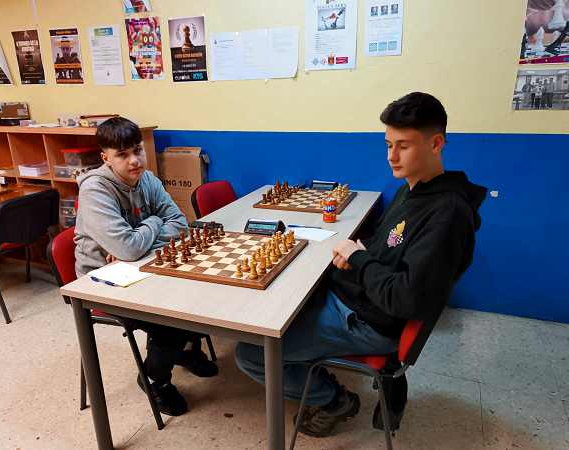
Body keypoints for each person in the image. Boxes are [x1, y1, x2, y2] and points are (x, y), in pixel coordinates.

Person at [235, 92, 486, 438]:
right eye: (388, 145)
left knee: (251, 352)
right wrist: (360, 251)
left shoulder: (447, 215)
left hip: (368, 321)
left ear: (436, 144)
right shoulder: (413, 189)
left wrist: (358, 258)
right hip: (358, 298)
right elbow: (390, 246)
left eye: (403, 146)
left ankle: (333, 400)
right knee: (281, 292)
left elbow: (406, 298)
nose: (391, 157)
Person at [74, 117, 218, 416]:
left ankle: (183, 352)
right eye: (122, 155)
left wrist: (135, 242)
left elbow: (180, 223)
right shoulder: (95, 190)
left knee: (198, 294)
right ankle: (154, 380)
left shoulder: (148, 179)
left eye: (137, 150)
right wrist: (152, 224)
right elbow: (128, 247)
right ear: (105, 158)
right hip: (102, 279)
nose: (134, 161)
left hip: (142, 263)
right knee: (170, 317)